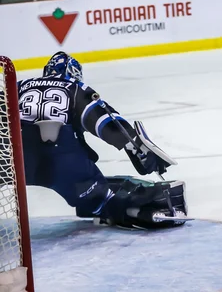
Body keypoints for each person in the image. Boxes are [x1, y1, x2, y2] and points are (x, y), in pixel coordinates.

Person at [18, 51, 188, 229]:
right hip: (61, 160)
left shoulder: (19, 85)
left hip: (13, 159)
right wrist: (134, 146)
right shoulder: (75, 87)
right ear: (73, 72)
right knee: (102, 200)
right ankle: (143, 210)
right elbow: (102, 119)